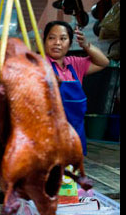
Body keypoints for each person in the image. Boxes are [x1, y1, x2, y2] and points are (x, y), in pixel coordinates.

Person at [44, 20, 110, 155]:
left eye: (63, 38)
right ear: (44, 41)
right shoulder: (39, 64)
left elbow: (104, 62)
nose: (57, 43)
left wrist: (86, 45)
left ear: (69, 43)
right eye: (51, 38)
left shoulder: (75, 63)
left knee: (73, 173)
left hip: (75, 135)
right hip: (48, 137)